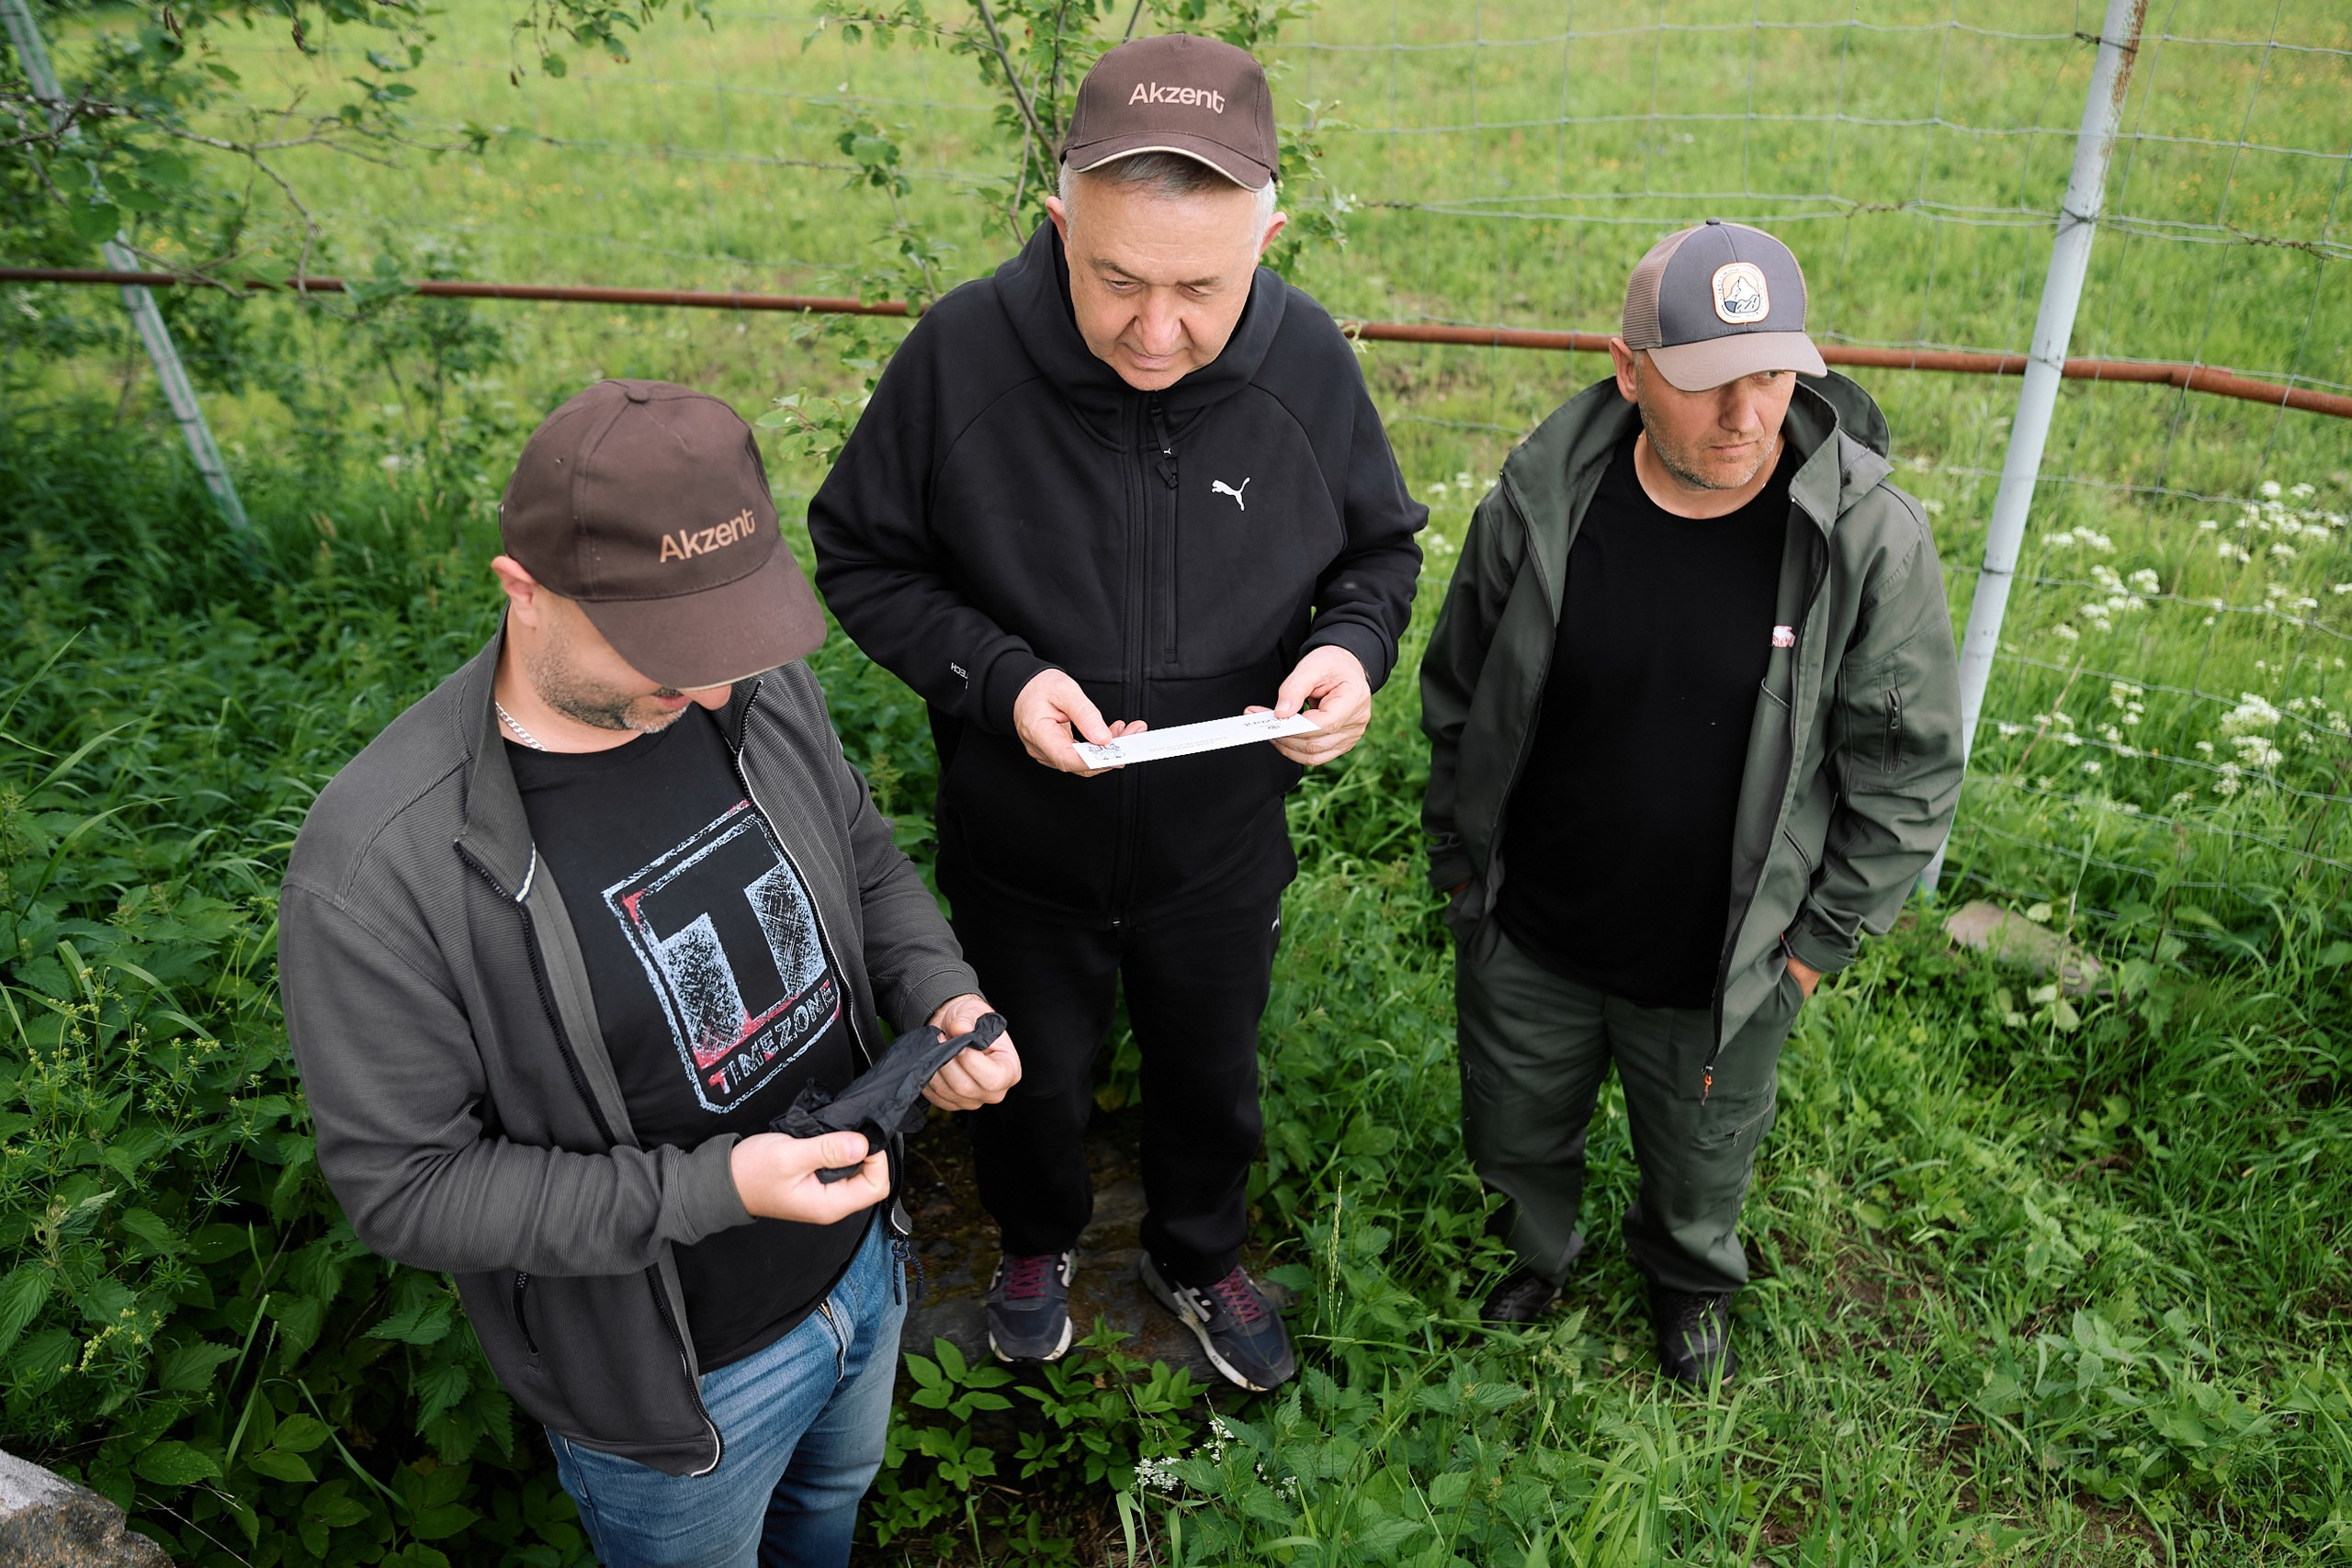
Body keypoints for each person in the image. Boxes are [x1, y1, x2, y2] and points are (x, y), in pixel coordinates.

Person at [278, 379, 1022, 1568]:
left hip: (864, 1270)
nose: (718, 684)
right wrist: (712, 1188)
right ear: (522, 591)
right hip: (679, 1393)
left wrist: (939, 987)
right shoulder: (381, 864)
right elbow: (407, 1185)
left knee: (830, 1514)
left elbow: (864, 850)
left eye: (728, 637)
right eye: (668, 646)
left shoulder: (749, 680)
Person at [806, 33, 1424, 1393]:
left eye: (1201, 288)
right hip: (1020, 846)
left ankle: (1198, 1252)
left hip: (1219, 845)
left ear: (1271, 233)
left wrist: (1353, 652)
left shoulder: (1307, 364)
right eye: (1114, 279)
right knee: (1024, 1069)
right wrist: (996, 676)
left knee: (1214, 1070)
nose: (1157, 331)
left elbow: (1378, 554)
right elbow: (858, 553)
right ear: (1057, 217)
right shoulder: (967, 353)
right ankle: (1034, 1238)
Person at [1419, 220, 1962, 1388]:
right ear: (1627, 371)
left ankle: (1687, 1284)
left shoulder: (1863, 539)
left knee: (1702, 1154)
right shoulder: (1539, 504)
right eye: (1708, 382)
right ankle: (1533, 1251)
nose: (1746, 416)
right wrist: (1462, 873)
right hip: (1533, 927)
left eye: (1772, 375)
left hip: (1728, 959)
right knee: (1514, 1124)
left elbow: (1906, 766)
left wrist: (1815, 945)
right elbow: (1459, 691)